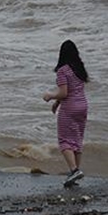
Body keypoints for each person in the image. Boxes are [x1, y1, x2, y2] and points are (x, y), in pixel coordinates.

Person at [43, 40, 89, 187]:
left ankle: (74, 170)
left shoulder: (63, 70)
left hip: (70, 108)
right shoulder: (79, 68)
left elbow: (64, 92)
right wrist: (57, 103)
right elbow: (73, 91)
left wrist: (50, 96)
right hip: (82, 106)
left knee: (64, 141)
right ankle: (74, 173)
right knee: (77, 140)